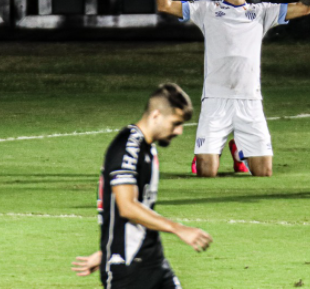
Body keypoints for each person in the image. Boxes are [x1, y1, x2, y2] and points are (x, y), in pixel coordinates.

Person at [155, 0, 310, 177]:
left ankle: (238, 148)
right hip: (215, 100)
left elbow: (305, 7)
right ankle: (220, 147)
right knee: (206, 172)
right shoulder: (207, 10)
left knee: (264, 172)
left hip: (250, 101)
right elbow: (165, 5)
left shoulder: (261, 12)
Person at [71, 83, 212, 289]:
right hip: (129, 269)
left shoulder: (146, 148)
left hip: (152, 260)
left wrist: (106, 251)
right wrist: (179, 229)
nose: (180, 131)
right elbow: (127, 207)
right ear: (156, 115)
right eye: (175, 123)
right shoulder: (128, 148)